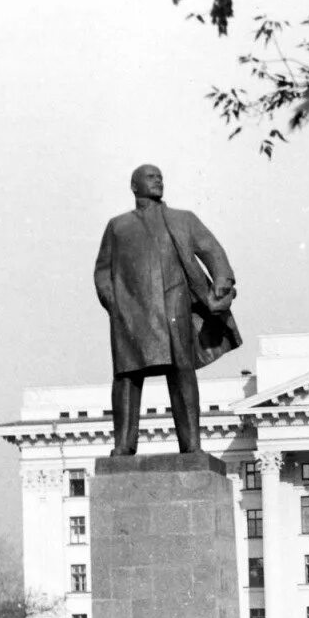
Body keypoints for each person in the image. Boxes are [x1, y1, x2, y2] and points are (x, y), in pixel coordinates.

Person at [94, 164, 241, 455]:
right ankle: (123, 445)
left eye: (160, 176)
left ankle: (191, 446)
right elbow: (102, 271)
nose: (158, 180)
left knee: (182, 372)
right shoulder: (117, 226)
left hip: (174, 305)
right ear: (134, 186)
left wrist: (221, 284)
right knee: (127, 376)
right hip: (131, 313)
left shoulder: (182, 219)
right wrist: (115, 304)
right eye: (151, 177)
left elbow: (213, 250)